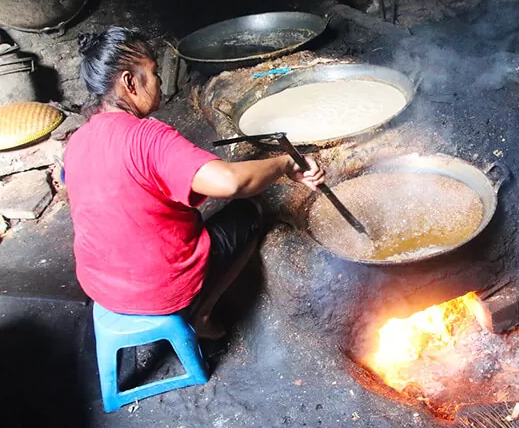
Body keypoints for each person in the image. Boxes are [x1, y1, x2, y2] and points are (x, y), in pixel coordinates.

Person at [63, 27, 325, 339]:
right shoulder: (147, 138)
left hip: (100, 286)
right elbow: (230, 182)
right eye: (154, 72)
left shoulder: (77, 140)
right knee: (249, 211)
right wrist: (285, 163)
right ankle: (201, 313)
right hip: (158, 291)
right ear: (130, 82)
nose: (160, 82)